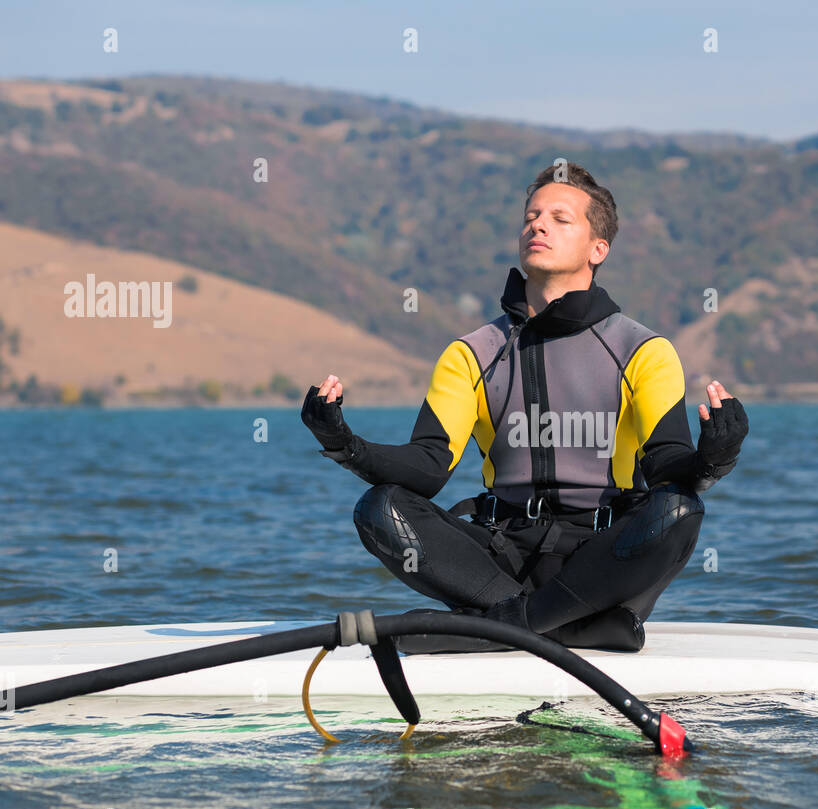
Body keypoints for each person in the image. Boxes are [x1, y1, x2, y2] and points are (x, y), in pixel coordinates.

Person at [301, 162, 748, 653]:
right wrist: (343, 444)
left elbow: (669, 471)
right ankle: (554, 627)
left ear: (598, 249)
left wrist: (715, 456)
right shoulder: (470, 352)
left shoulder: (643, 350)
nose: (537, 225)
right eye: (532, 216)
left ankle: (495, 629)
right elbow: (426, 469)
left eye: (560, 218)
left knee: (679, 509)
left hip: (600, 563)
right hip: (495, 561)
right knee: (379, 506)